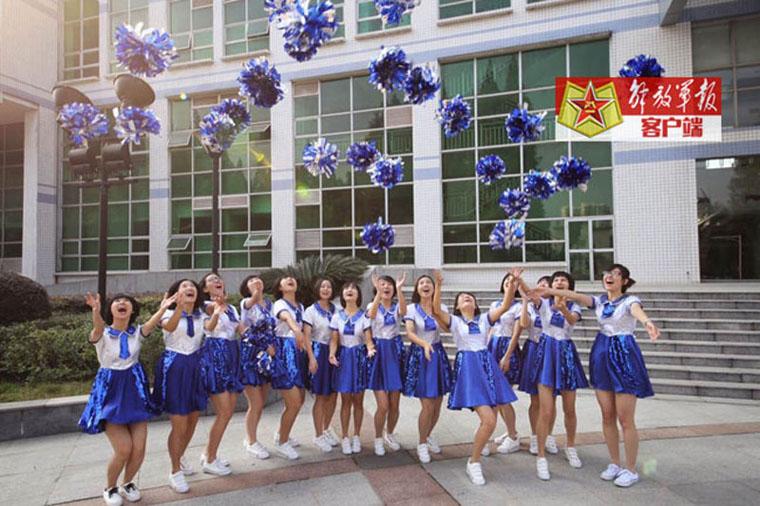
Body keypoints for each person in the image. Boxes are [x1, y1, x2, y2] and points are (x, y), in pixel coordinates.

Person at [535, 264, 660, 488]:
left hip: (623, 353)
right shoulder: (599, 301)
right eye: (607, 274)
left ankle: (630, 469)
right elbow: (573, 295)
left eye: (615, 274)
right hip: (602, 353)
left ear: (624, 281)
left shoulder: (630, 301)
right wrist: (549, 291)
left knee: (625, 418)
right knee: (607, 414)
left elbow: (638, 313)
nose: (609, 277)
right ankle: (614, 463)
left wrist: (647, 322)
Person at [80, 292, 173, 506]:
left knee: (139, 448)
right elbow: (96, 329)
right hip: (111, 392)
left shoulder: (137, 332)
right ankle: (110, 487)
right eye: (117, 302)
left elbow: (151, 324)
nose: (122, 303)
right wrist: (95, 310)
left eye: (127, 302)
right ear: (110, 309)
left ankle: (128, 483)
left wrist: (163, 307)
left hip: (134, 391)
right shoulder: (103, 334)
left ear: (132, 310)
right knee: (123, 449)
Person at [431, 270, 520, 486]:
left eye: (469, 296)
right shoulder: (455, 322)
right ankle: (474, 462)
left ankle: (478, 451)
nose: (466, 297)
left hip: (487, 365)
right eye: (462, 298)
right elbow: (435, 310)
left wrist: (512, 284)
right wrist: (439, 285)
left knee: (491, 417)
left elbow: (506, 306)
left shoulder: (484, 319)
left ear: (475, 303)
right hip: (469, 369)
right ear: (458, 306)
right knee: (489, 419)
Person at [530, 271, 589, 481]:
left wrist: (563, 306)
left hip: (564, 353)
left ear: (570, 285)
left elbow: (572, 320)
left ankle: (570, 446)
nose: (559, 282)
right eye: (556, 280)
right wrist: (518, 280)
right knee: (545, 410)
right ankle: (541, 457)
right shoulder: (543, 304)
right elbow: (530, 294)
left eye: (563, 280)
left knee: (569, 408)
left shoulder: (574, 306)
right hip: (546, 353)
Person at [151, 279, 208, 494]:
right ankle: (174, 472)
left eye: (192, 286)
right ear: (176, 293)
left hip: (194, 365)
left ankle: (180, 455)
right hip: (175, 365)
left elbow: (211, 327)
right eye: (184, 286)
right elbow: (170, 327)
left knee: (193, 418)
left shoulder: (201, 314)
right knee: (179, 422)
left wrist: (219, 308)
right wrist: (178, 308)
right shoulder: (167, 313)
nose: (189, 288)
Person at [503, 275, 559, 456]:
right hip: (534, 350)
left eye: (546, 284)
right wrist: (526, 301)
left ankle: (548, 435)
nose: (542, 286)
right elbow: (525, 324)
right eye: (540, 284)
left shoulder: (555, 307)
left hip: (552, 351)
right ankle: (536, 436)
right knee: (535, 399)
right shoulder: (532, 307)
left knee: (551, 399)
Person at [402, 274, 452, 463]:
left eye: (429, 283)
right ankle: (422, 443)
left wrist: (437, 312)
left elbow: (447, 329)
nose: (425, 285)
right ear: (416, 288)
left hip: (437, 355)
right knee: (427, 404)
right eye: (421, 283)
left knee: (437, 401)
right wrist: (423, 344)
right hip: (420, 356)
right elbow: (409, 332)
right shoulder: (411, 309)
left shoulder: (440, 308)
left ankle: (429, 434)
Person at [198, 272, 245, 476]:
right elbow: (208, 328)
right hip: (215, 355)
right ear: (205, 289)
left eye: (218, 279)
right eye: (211, 280)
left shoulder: (232, 307)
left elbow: (241, 330)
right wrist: (216, 311)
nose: (217, 281)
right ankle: (210, 459)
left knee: (228, 413)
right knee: (224, 411)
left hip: (232, 354)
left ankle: (209, 452)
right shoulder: (204, 306)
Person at [271, 276, 315, 460]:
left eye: (293, 279)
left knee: (299, 399)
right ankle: (282, 443)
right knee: (294, 401)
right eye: (285, 279)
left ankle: (282, 434)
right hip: (285, 352)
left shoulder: (301, 306)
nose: (290, 279)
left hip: (300, 353)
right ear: (280, 287)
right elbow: (286, 317)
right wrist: (295, 330)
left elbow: (306, 333)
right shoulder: (279, 304)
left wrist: (311, 358)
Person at [366, 272, 407, 456]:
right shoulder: (371, 305)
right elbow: (372, 314)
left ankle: (389, 433)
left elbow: (405, 313)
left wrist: (399, 290)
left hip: (395, 351)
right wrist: (377, 294)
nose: (386, 287)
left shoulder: (397, 306)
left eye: (389, 284)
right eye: (382, 284)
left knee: (394, 403)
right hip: (378, 351)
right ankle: (377, 438)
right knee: (382, 405)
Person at [328, 281, 370, 455]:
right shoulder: (337, 316)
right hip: (344, 358)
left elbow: (368, 339)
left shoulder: (364, 316)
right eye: (346, 288)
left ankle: (357, 436)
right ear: (343, 295)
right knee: (345, 400)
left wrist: (370, 348)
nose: (350, 290)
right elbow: (334, 340)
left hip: (359, 358)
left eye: (353, 288)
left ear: (358, 295)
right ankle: (345, 436)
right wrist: (332, 354)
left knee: (359, 401)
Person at [239, 274, 276, 460]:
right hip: (251, 355)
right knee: (256, 403)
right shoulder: (247, 303)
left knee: (261, 401)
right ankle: (251, 441)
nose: (256, 281)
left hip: (268, 357)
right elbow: (248, 330)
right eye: (251, 280)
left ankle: (252, 437)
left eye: (258, 279)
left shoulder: (270, 305)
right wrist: (255, 294)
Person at [487, 273, 523, 455]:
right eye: (507, 281)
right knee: (493, 397)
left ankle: (513, 436)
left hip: (507, 347)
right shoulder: (495, 305)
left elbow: (517, 333)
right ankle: (507, 432)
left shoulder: (519, 307)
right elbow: (490, 328)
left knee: (503, 396)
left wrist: (507, 356)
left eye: (513, 283)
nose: (510, 285)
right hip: (492, 347)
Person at [303, 278, 339, 452]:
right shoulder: (311, 311)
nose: (326, 289)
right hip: (318, 351)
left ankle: (326, 429)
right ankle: (318, 435)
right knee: (321, 396)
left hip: (334, 353)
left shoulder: (336, 309)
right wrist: (311, 358)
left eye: (329, 286)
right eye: (323, 286)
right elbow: (307, 337)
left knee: (333, 395)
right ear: (317, 289)